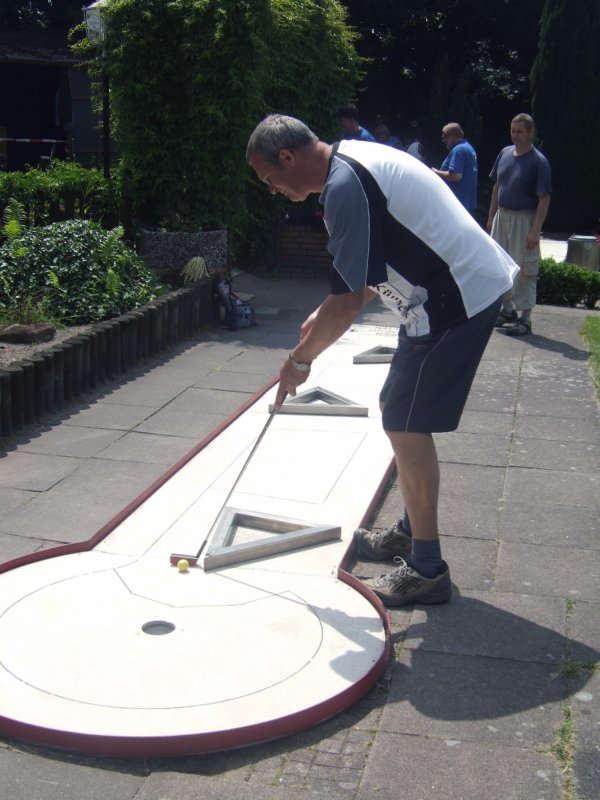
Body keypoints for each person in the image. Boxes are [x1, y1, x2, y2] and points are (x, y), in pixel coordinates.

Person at [246, 114, 517, 607]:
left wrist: (299, 361)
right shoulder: (352, 163)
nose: (273, 190)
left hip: (455, 299)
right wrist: (322, 314)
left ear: (287, 157)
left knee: (406, 424)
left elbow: (348, 302)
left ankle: (427, 569)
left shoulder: (345, 184)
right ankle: (410, 534)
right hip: (438, 297)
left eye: (270, 179)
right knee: (399, 409)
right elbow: (369, 269)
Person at [487, 113, 552, 336]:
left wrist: (535, 229)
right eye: (513, 131)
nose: (515, 135)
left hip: (524, 219)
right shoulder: (504, 153)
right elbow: (497, 187)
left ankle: (525, 319)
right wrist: (491, 216)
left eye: (520, 131)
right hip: (502, 217)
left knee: (525, 268)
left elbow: (544, 198)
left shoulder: (538, 162)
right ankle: (507, 310)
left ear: (531, 132)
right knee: (499, 265)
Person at [431, 122, 478, 211]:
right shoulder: (468, 148)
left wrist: (436, 173)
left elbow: (456, 176)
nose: (443, 141)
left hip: (456, 203)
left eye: (445, 137)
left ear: (453, 136)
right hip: (465, 202)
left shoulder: (458, 150)